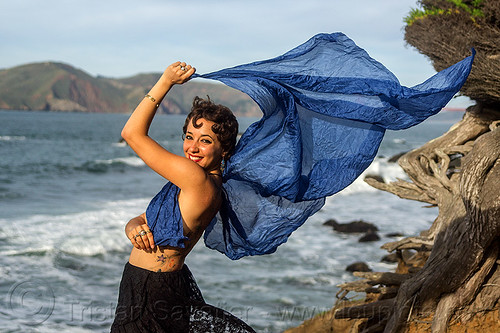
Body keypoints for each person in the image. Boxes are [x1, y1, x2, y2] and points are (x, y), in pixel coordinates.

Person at [111, 61, 255, 332]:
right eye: (189, 136)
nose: (193, 147)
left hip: (152, 292)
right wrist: (133, 227)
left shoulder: (196, 179)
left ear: (224, 149)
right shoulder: (201, 181)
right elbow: (145, 218)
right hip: (149, 285)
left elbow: (131, 134)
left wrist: (165, 80)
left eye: (205, 140)